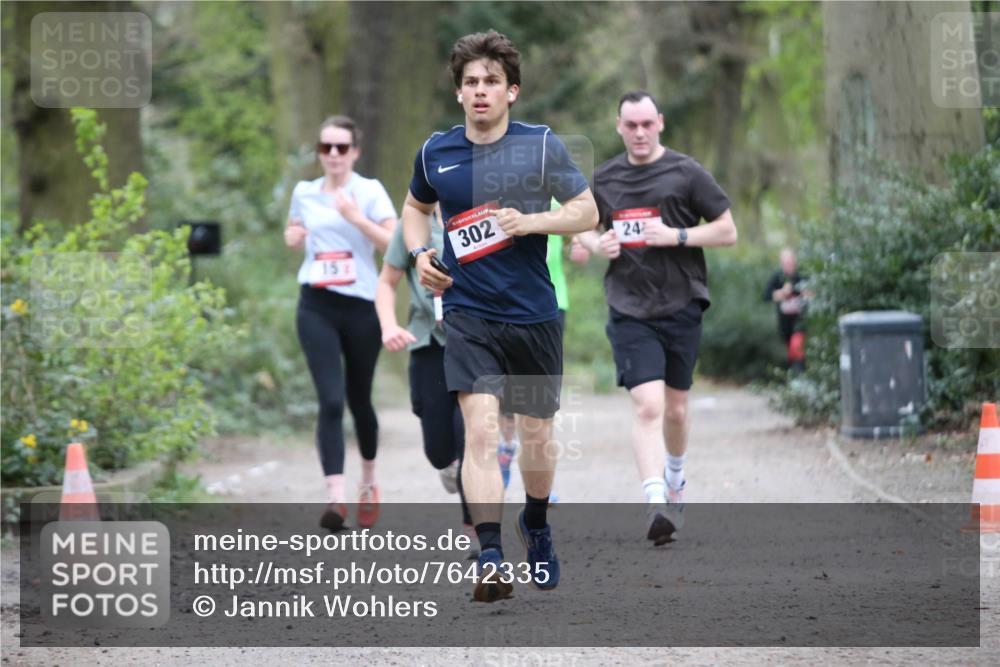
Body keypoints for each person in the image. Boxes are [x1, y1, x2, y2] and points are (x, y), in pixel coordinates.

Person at [402, 30, 598, 602]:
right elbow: (415, 210)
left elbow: (587, 211)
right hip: (467, 312)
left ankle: (534, 521)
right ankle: (489, 553)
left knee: (537, 435)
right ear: (459, 94)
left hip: (534, 313)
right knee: (482, 431)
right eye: (470, 83)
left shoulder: (540, 146)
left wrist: (532, 222)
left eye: (491, 82)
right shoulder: (435, 152)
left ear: (512, 91)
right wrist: (420, 256)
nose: (480, 91)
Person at [574, 91, 737, 545]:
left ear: (660, 123)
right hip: (628, 306)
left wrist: (677, 235)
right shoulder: (604, 178)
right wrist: (594, 243)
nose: (640, 133)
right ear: (619, 127)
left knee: (678, 409)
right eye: (631, 125)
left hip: (682, 302)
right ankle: (655, 503)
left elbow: (727, 230)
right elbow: (579, 222)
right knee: (648, 405)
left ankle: (676, 479)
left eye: (647, 123)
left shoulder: (686, 173)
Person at [284, 115, 397, 532]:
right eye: (326, 147)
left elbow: (395, 242)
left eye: (342, 148)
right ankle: (336, 497)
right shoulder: (304, 193)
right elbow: (295, 232)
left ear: (355, 152)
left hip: (362, 307)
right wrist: (291, 238)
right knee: (330, 400)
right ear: (319, 152)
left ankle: (368, 481)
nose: (333, 155)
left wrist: (356, 219)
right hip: (315, 304)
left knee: (358, 400)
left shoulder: (369, 192)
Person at [374, 207, 475, 542]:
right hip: (427, 341)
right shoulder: (412, 226)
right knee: (439, 450)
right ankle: (450, 465)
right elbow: (387, 282)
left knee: (471, 438)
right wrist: (389, 326)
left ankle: (476, 530)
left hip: (474, 341)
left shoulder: (481, 216)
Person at [763, 248, 808, 371]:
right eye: (784, 263)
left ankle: (800, 377)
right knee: (792, 352)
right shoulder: (778, 277)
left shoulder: (802, 276)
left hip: (800, 321)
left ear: (795, 261)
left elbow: (812, 292)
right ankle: (797, 376)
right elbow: (766, 296)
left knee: (796, 346)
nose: (787, 266)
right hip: (785, 323)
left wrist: (801, 292)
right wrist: (782, 293)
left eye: (790, 262)